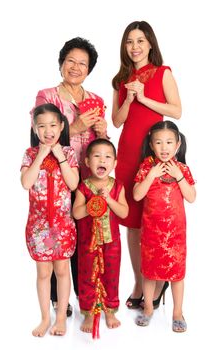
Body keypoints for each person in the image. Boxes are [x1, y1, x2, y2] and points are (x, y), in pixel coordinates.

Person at [31, 37, 108, 316]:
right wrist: (74, 127)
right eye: (70, 61)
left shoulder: (97, 101)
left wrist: (101, 133)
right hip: (55, 178)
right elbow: (41, 134)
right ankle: (56, 300)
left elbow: (102, 146)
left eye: (82, 64)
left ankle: (84, 296)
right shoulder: (47, 95)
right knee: (53, 236)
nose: (75, 67)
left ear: (89, 69)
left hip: (86, 179)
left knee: (84, 238)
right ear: (61, 63)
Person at [111, 20, 182, 309]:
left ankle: (159, 277)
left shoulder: (163, 73)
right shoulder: (120, 80)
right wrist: (129, 97)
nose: (135, 47)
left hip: (156, 153)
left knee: (157, 219)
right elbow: (116, 121)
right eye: (129, 41)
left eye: (140, 40)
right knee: (132, 223)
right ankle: (140, 283)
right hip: (128, 153)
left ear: (150, 43)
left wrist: (145, 97)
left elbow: (177, 111)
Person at [21, 103, 79, 336]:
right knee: (43, 273)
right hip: (39, 227)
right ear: (35, 129)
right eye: (42, 126)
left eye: (53, 125)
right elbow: (26, 183)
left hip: (63, 225)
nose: (48, 131)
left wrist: (58, 156)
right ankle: (45, 318)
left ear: (61, 126)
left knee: (63, 270)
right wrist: (42, 154)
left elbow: (73, 184)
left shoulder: (68, 153)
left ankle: (62, 318)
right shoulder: (30, 153)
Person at [133, 121, 196, 332]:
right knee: (150, 273)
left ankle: (177, 312)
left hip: (176, 233)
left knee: (177, 274)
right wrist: (151, 175)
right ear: (151, 144)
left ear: (178, 144)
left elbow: (192, 197)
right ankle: (149, 307)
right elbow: (137, 195)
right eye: (158, 142)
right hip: (152, 232)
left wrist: (179, 176)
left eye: (169, 142)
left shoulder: (183, 169)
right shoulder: (145, 168)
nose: (164, 147)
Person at [72, 139, 128, 336]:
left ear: (114, 163)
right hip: (88, 243)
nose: (102, 160)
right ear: (87, 162)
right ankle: (88, 312)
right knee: (86, 277)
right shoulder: (83, 187)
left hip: (112, 243)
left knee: (111, 277)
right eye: (97, 156)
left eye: (107, 156)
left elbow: (124, 213)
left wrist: (109, 200)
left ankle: (110, 311)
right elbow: (76, 214)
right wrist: (91, 204)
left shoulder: (117, 186)